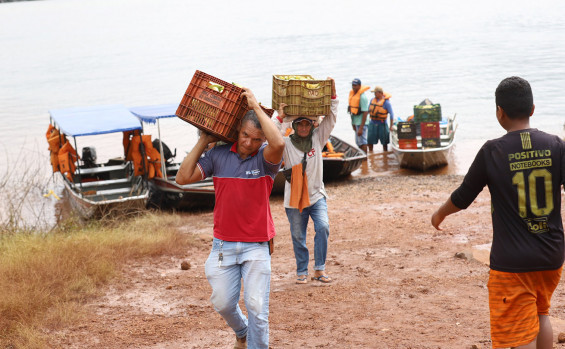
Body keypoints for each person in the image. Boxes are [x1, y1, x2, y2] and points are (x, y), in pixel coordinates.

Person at [431, 76, 565, 349]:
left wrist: (440, 214)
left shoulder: (493, 151)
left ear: (499, 112)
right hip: (551, 256)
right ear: (533, 109)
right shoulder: (556, 146)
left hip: (512, 263)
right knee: (541, 313)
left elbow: (463, 196)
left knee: (518, 333)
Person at [176, 87, 284, 349]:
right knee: (223, 302)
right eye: (245, 135)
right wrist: (204, 140)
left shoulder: (267, 159)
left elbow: (279, 143)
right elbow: (182, 178)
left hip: (257, 244)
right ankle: (241, 331)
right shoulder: (218, 155)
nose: (249, 142)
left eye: (257, 139)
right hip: (223, 245)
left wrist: (256, 106)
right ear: (238, 131)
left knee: (258, 308)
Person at [273, 78, 338, 284]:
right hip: (294, 200)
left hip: (317, 196)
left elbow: (331, 118)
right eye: (299, 123)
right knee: (298, 237)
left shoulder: (318, 139)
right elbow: (270, 136)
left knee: (323, 227)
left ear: (311, 125)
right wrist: (279, 117)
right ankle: (301, 270)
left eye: (306, 123)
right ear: (294, 125)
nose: (302, 127)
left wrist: (333, 96)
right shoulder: (285, 144)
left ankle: (319, 269)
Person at [367, 86, 394, 152]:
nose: (374, 94)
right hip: (372, 123)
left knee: (384, 142)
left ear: (380, 93)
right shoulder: (372, 100)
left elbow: (392, 114)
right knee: (370, 141)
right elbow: (368, 111)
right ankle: (371, 154)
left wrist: (391, 126)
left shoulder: (386, 103)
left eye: (375, 93)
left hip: (382, 124)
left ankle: (385, 155)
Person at [348, 78, 370, 153]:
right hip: (356, 122)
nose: (353, 87)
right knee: (358, 142)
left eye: (355, 85)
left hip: (361, 123)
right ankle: (362, 159)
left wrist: (361, 127)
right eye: (352, 85)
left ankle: (364, 160)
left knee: (362, 141)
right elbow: (352, 112)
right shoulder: (353, 95)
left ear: (359, 86)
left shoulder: (362, 97)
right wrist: (353, 124)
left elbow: (365, 112)